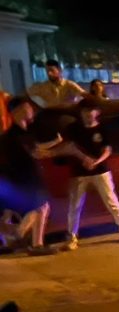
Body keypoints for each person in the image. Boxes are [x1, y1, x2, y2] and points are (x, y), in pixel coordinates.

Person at [0, 97, 80, 255]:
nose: (31, 111)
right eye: (28, 108)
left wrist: (55, 142)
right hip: (22, 180)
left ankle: (34, 243)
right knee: (39, 207)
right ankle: (21, 237)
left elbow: (36, 147)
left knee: (42, 208)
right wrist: (64, 150)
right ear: (18, 111)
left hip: (27, 178)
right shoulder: (14, 135)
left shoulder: (24, 132)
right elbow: (36, 153)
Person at [62, 99, 119, 250]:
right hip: (79, 172)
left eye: (91, 110)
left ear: (97, 112)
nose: (88, 114)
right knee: (74, 205)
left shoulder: (103, 128)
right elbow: (70, 146)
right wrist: (84, 158)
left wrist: (96, 161)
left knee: (111, 201)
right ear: (80, 113)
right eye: (85, 111)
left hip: (101, 171)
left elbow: (107, 149)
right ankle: (71, 237)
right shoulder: (73, 128)